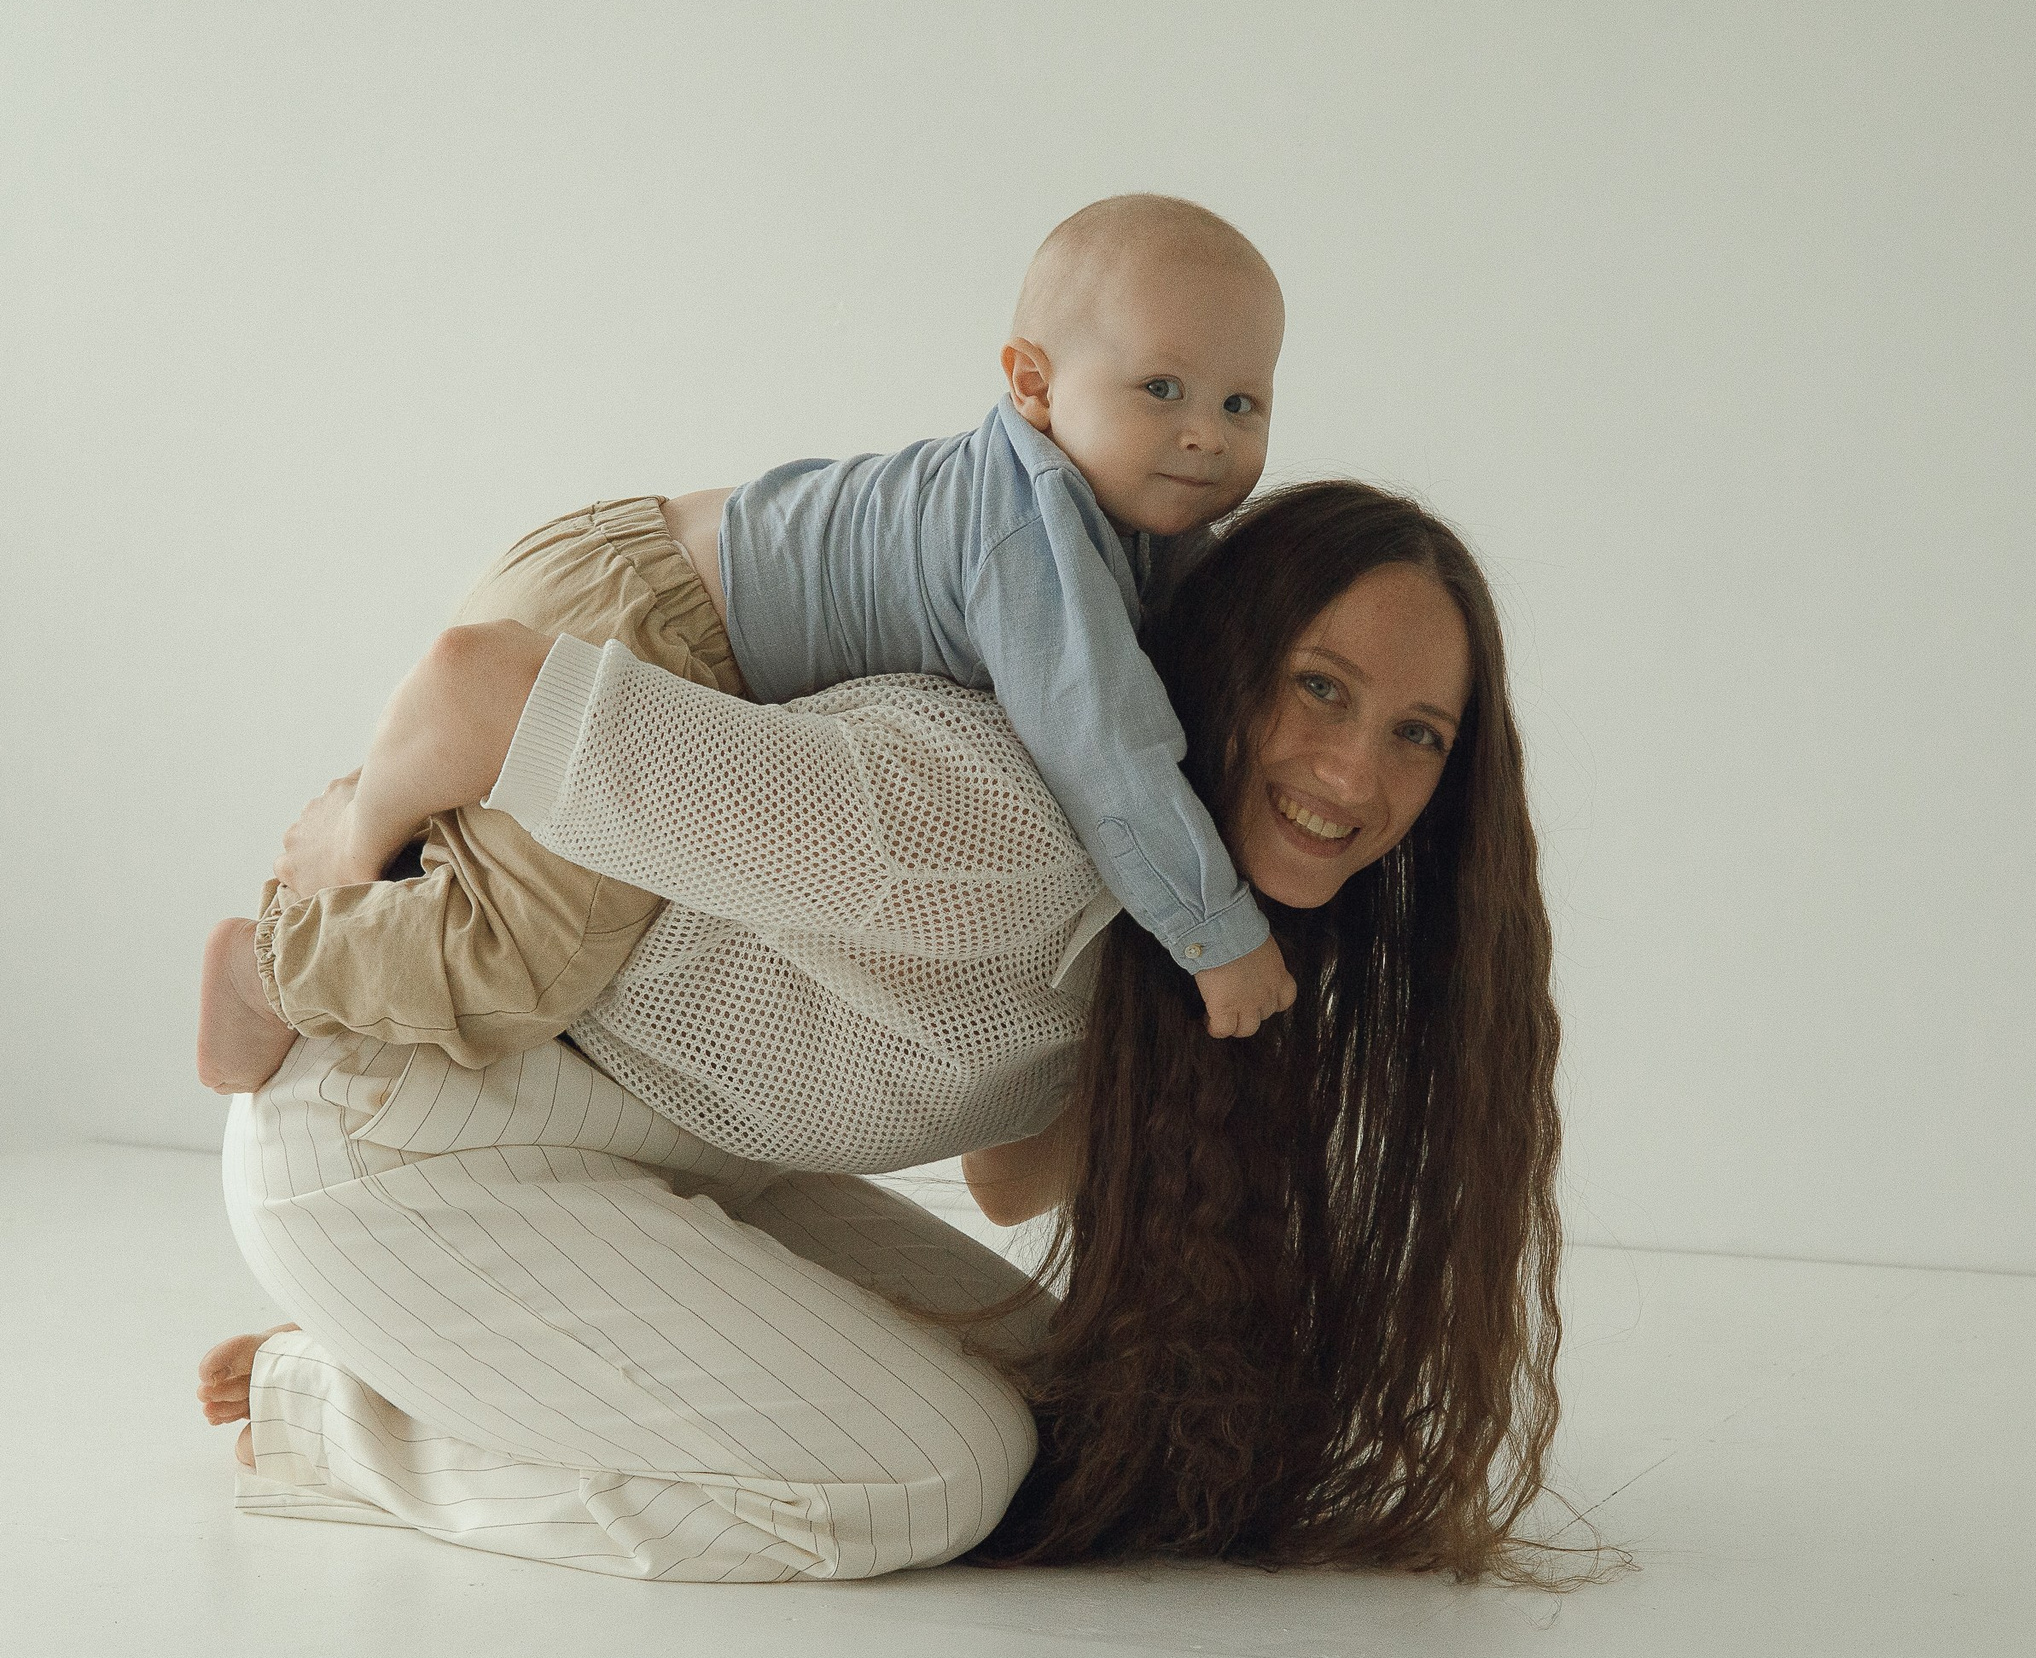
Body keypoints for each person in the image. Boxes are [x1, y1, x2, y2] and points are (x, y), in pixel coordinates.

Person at [194, 482, 1568, 1582]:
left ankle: (476, 1341)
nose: (1355, 771)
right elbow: (489, 683)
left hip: (657, 1150)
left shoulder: (1192, 930)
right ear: (1223, 665)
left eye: (1417, 734)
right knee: (932, 1475)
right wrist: (345, 849)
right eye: (1320, 688)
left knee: (1063, 1405)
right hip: (402, 1126)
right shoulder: (983, 822)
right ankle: (351, 1407)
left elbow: (1006, 1171)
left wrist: (1224, 1041)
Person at [195, 192, 1294, 1106]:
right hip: (644, 623)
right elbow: (1107, 742)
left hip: (638, 569)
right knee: (537, 958)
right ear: (1032, 384)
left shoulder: (1104, 525)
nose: (1208, 433)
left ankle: (427, 770)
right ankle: (274, 959)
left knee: (530, 900)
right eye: (1163, 389)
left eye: (1243, 403)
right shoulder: (1032, 529)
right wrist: (1215, 933)